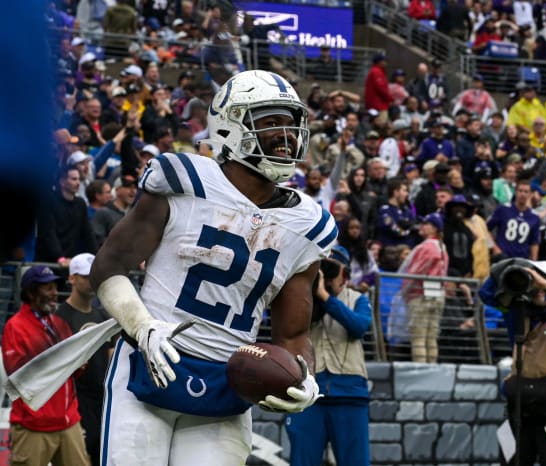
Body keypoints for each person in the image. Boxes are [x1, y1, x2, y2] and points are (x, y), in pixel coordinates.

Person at [90, 70, 334, 465]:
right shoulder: (183, 179)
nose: (286, 135)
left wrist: (303, 376)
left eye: (292, 124)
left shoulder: (308, 223)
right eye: (271, 122)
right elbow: (106, 268)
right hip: (148, 362)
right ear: (230, 127)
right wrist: (141, 325)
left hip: (230, 380)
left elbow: (293, 333)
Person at [479, 260, 546, 466]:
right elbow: (486, 294)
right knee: (512, 460)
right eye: (534, 285)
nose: (538, 291)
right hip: (521, 401)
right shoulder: (516, 312)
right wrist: (512, 266)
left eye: (543, 285)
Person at [286, 246, 372, 466]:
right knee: (302, 460)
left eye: (332, 268)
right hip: (309, 394)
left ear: (345, 273)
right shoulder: (304, 300)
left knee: (356, 461)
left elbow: (359, 327)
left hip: (350, 393)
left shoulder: (358, 299)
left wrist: (326, 297)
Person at [2, 266, 90, 466]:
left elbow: (70, 374)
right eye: (48, 288)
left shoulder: (59, 323)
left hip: (69, 422)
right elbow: (17, 375)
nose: (54, 293)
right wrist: (55, 359)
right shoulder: (15, 326)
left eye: (55, 287)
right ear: (31, 292)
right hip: (33, 425)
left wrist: (79, 364)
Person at [55, 253, 113, 466]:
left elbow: (108, 352)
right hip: (77, 399)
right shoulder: (60, 317)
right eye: (85, 276)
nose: (91, 282)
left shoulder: (101, 316)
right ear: (72, 278)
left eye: (94, 276)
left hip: (103, 397)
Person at [398, 213, 449, 363]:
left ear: (434, 228)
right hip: (438, 295)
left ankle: (420, 371)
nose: (422, 226)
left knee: (419, 337)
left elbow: (415, 272)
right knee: (431, 337)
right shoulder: (443, 247)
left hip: (420, 296)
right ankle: (431, 369)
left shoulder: (426, 247)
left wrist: (404, 291)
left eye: (426, 223)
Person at [488, 179, 541, 260]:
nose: (522, 194)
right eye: (520, 191)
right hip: (502, 258)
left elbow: (534, 242)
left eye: (526, 192)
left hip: (522, 260)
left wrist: (534, 262)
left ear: (530, 194)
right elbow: (485, 230)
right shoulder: (503, 209)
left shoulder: (534, 216)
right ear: (515, 192)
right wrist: (494, 249)